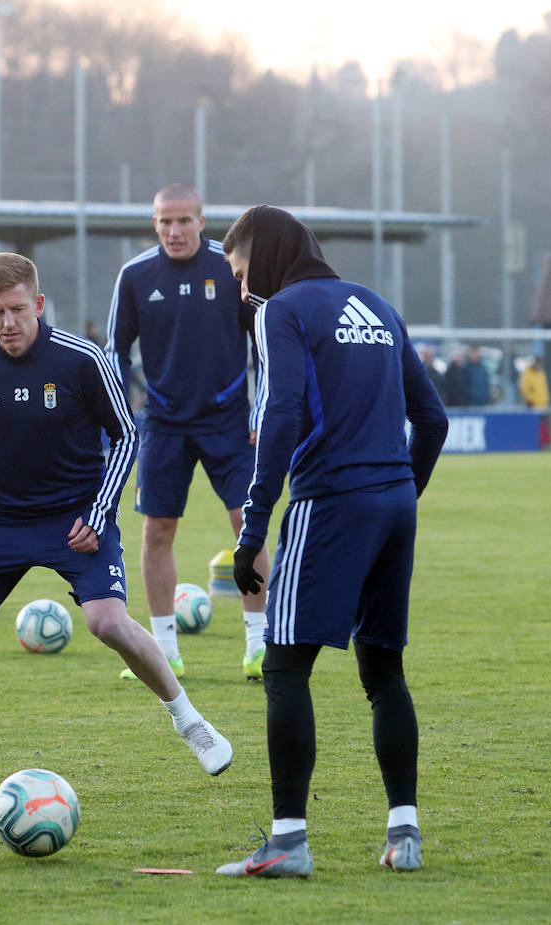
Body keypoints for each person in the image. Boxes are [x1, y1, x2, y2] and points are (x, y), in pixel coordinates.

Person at [0, 252, 233, 782]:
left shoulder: (84, 360)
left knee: (108, 623)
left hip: (77, 517)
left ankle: (193, 724)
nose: (8, 324)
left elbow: (127, 435)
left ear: (38, 304)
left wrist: (100, 512)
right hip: (1, 519)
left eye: (17, 310)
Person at [215, 205, 447, 878]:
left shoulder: (281, 310)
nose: (240, 290)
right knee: (382, 671)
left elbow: (281, 412)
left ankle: (288, 841)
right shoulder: (375, 305)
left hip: (332, 501)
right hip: (393, 501)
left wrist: (253, 526)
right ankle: (404, 833)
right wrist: (401, 491)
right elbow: (431, 417)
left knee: (285, 665)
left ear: (266, 256)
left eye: (238, 271)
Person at [105, 183, 271, 682]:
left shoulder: (232, 266)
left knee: (250, 524)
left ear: (203, 221)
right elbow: (114, 351)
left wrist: (261, 410)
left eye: (183, 221)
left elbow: (265, 345)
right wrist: (120, 413)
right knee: (156, 531)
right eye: (164, 222)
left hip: (229, 423)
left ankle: (260, 645)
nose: (173, 231)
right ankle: (162, 652)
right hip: (163, 424)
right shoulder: (135, 275)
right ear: (154, 224)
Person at [519, 355, 551, 449]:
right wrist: (530, 400)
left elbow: (544, 389)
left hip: (543, 404)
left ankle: (545, 444)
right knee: (533, 427)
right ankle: (532, 445)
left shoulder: (541, 373)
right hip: (532, 405)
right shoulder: (527, 374)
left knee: (544, 426)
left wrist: (546, 400)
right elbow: (525, 389)